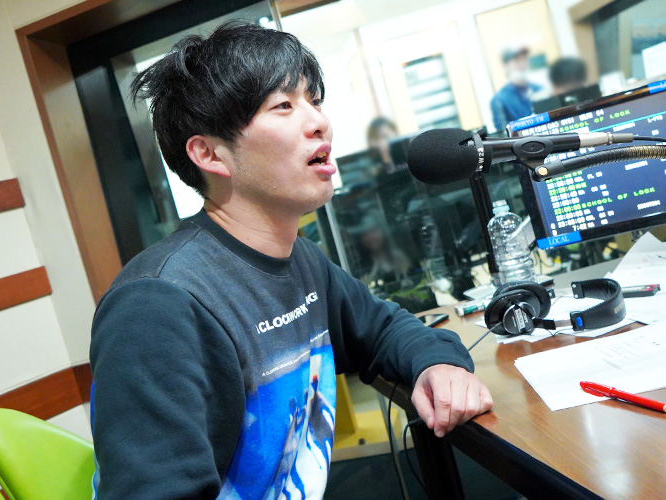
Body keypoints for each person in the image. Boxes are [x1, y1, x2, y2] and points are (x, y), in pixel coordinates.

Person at [89, 20, 493, 500]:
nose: (319, 122)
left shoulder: (299, 258)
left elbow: (383, 328)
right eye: (283, 105)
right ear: (209, 154)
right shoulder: (157, 306)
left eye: (314, 100)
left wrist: (437, 364)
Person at [490, 46, 542, 132]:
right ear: (505, 67)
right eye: (517, 61)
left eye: (524, 59)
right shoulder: (499, 100)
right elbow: (504, 134)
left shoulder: (540, 90)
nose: (522, 64)